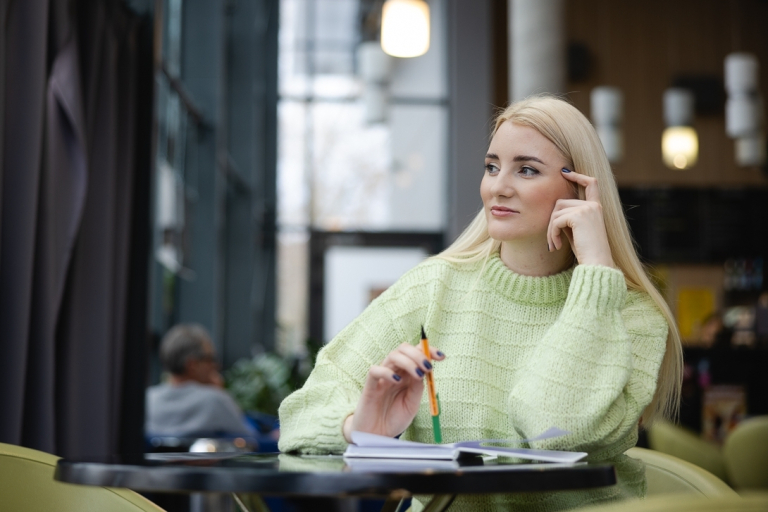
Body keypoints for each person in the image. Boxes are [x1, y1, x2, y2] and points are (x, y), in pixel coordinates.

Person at [278, 95, 682, 511]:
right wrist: (359, 429)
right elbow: (300, 416)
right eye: (492, 167)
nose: (498, 187)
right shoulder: (433, 288)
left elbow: (559, 430)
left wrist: (596, 275)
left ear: (579, 191)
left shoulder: (631, 315)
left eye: (526, 169)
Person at [145, 323, 255, 438]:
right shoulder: (215, 401)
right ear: (192, 365)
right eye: (211, 359)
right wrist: (219, 392)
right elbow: (251, 440)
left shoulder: (148, 399)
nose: (216, 365)